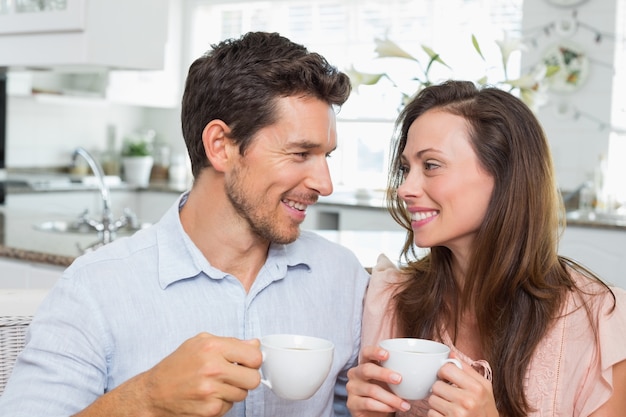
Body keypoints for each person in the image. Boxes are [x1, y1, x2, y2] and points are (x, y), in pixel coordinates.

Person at [0, 31, 369, 417]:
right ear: (221, 146)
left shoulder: (343, 278)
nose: (324, 184)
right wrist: (145, 397)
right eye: (300, 153)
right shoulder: (95, 289)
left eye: (325, 155)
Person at [345, 80, 626, 417]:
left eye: (431, 165)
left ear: (504, 175)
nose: (405, 188)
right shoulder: (391, 300)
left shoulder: (599, 321)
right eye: (406, 169)